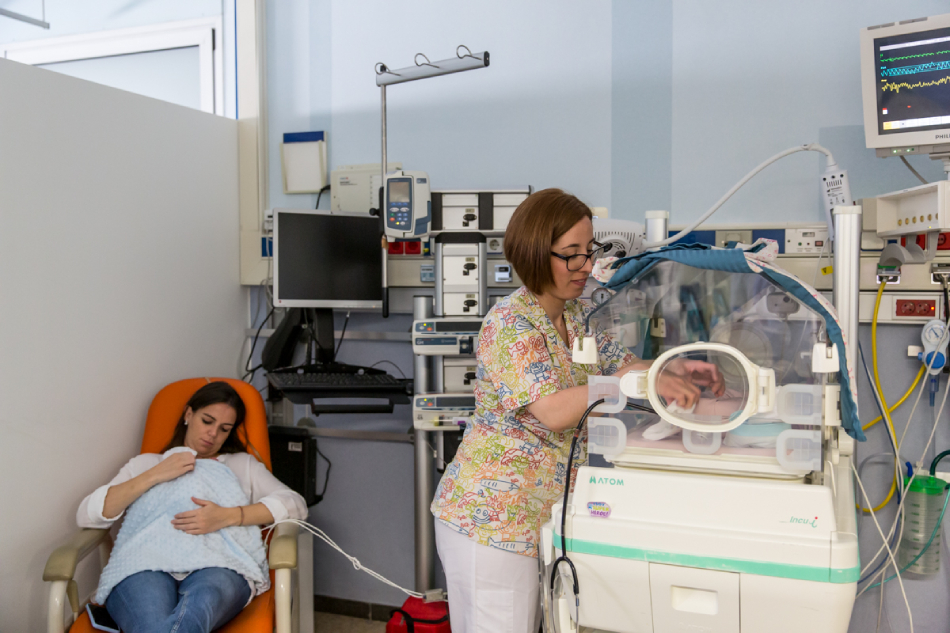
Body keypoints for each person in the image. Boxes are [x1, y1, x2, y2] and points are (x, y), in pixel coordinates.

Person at [430, 189, 723, 633]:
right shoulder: (509, 323)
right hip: (491, 519)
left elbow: (624, 366)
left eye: (590, 252)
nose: (586, 266)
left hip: (546, 515)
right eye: (571, 255)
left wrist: (676, 366)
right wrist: (627, 382)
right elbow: (552, 409)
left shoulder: (579, 314)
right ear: (534, 253)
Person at [77, 381, 308, 633]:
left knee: (188, 614)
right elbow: (88, 515)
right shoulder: (147, 464)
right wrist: (155, 474)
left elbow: (294, 504)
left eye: (224, 429)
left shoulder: (240, 465)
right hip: (145, 563)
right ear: (189, 414)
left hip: (220, 566)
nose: (213, 434)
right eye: (207, 421)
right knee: (152, 625)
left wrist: (229, 516)